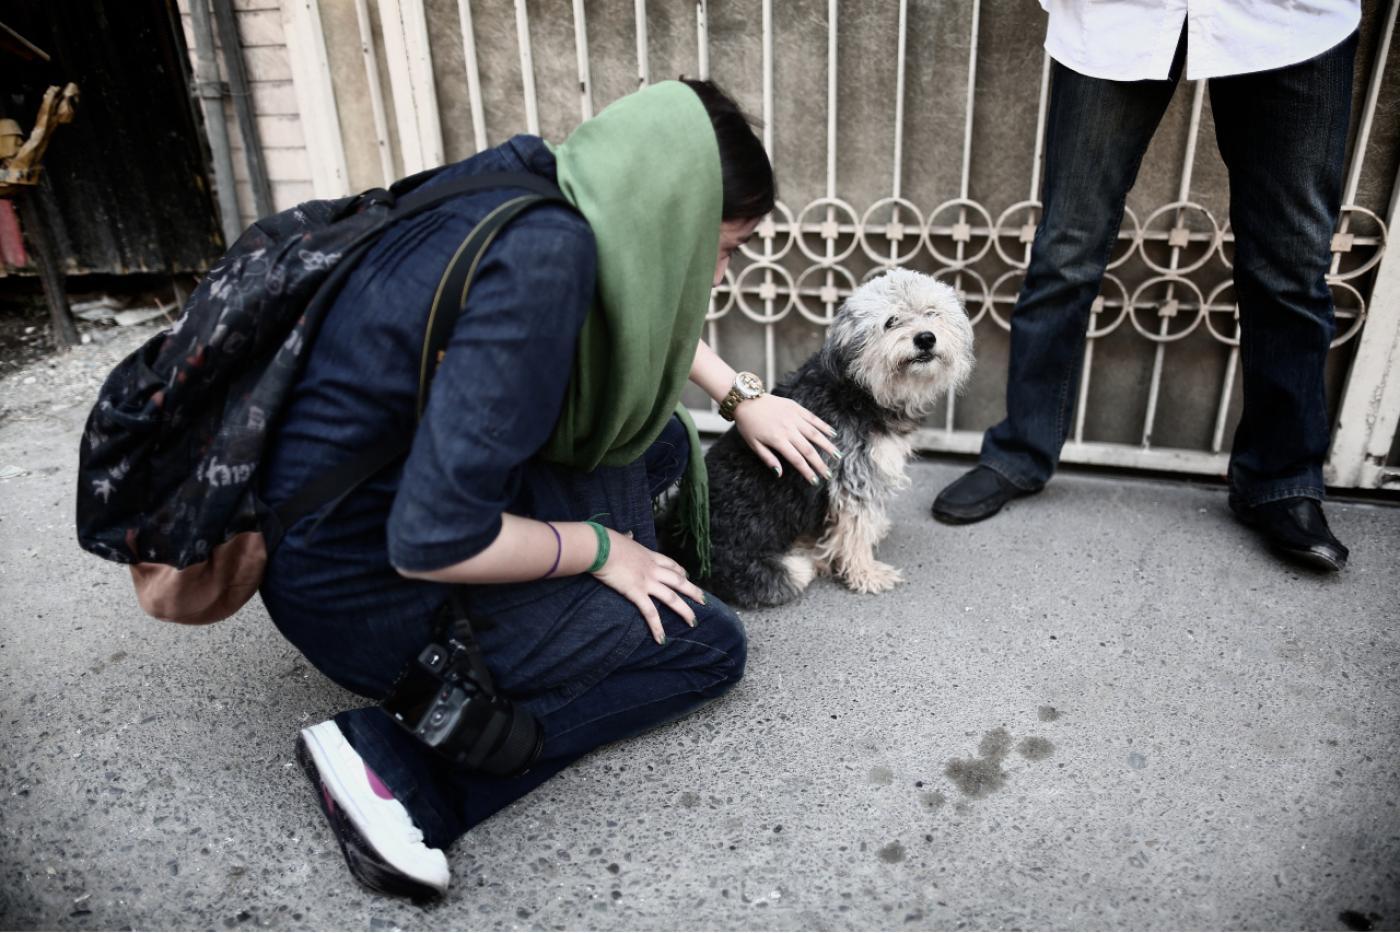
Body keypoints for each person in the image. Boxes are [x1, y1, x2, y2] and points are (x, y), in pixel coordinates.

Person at [258, 79, 840, 899]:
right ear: (669, 210)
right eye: (724, 245)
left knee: (663, 442)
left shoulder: (538, 185)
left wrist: (741, 397)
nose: (716, 269)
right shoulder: (540, 283)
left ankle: (595, 603)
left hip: (328, 508)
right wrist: (603, 549)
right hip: (363, 584)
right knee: (705, 646)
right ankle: (394, 768)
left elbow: (640, 325)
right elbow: (433, 539)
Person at [931, 1, 1360, 573]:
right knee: (1066, 250)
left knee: (1290, 265)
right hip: (1119, 16)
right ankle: (1019, 454)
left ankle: (1282, 482)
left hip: (1290, 21)